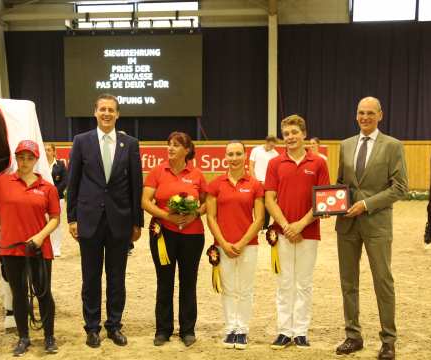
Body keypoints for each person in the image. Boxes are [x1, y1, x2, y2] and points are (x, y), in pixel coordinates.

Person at [67, 94, 143, 348]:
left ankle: (114, 325)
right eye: (102, 109)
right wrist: (72, 217)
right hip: (88, 220)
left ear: (118, 114)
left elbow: (136, 185)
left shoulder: (130, 144)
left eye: (111, 110)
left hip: (120, 222)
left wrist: (137, 222)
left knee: (116, 277)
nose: (107, 113)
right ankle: (92, 328)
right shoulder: (81, 142)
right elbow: (73, 181)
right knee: (90, 278)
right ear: (95, 112)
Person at [0, 140, 60, 356]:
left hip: (39, 249)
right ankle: (23, 337)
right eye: (21, 157)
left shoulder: (47, 188)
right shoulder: (1, 182)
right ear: (16, 158)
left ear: (36, 159)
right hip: (11, 250)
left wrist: (39, 237)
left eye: (30, 157)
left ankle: (49, 336)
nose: (25, 161)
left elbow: (56, 218)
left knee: (43, 293)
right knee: (18, 295)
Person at [335, 97, 408, 360]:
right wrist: (332, 205)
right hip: (346, 225)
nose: (364, 117)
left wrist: (366, 204)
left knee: (383, 282)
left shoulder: (392, 146)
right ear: (356, 116)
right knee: (348, 282)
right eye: (360, 113)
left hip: (377, 223)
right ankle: (353, 335)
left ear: (380, 115)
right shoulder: (345, 146)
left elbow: (400, 187)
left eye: (369, 113)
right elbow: (340, 183)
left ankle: (388, 340)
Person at [264, 115, 330, 349]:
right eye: (286, 134)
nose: (290, 137)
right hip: (281, 232)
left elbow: (324, 200)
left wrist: (300, 225)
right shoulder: (275, 164)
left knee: (303, 283)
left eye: (294, 132)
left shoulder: (319, 163)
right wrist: (286, 226)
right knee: (284, 283)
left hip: (308, 232)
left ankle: (300, 331)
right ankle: (284, 331)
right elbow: (269, 199)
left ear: (303, 133)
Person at [141, 132, 208, 347]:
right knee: (165, 281)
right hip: (163, 234)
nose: (170, 148)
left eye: (176, 145)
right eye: (169, 144)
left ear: (187, 150)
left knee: (189, 282)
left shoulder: (197, 174)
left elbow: (208, 202)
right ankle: (163, 329)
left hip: (192, 235)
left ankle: (187, 330)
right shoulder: (157, 172)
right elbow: (146, 201)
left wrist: (195, 214)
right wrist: (166, 216)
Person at [206, 141, 264, 350]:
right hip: (223, 245)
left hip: (248, 245)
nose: (234, 158)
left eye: (238, 153)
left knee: (245, 289)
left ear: (245, 156)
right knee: (229, 289)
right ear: (225, 157)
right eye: (230, 154)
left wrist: (241, 242)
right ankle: (231, 328)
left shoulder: (255, 185)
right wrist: (223, 242)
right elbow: (211, 217)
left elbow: (259, 219)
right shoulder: (216, 184)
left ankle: (243, 330)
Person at [249, 135, 279, 230]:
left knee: (267, 205)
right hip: (255, 182)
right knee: (254, 204)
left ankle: (265, 227)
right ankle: (254, 225)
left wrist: (269, 182)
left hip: (268, 184)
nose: (272, 148)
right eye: (270, 145)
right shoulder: (256, 150)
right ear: (266, 142)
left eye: (273, 146)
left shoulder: (275, 155)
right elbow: (251, 166)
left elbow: (276, 172)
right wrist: (255, 181)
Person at [45, 143, 67, 257]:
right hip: (42, 198)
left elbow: (65, 181)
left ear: (54, 152)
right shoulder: (41, 166)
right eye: (45, 150)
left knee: (56, 223)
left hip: (58, 198)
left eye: (49, 150)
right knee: (43, 222)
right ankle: (45, 246)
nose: (46, 152)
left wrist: (53, 193)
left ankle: (56, 247)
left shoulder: (61, 165)